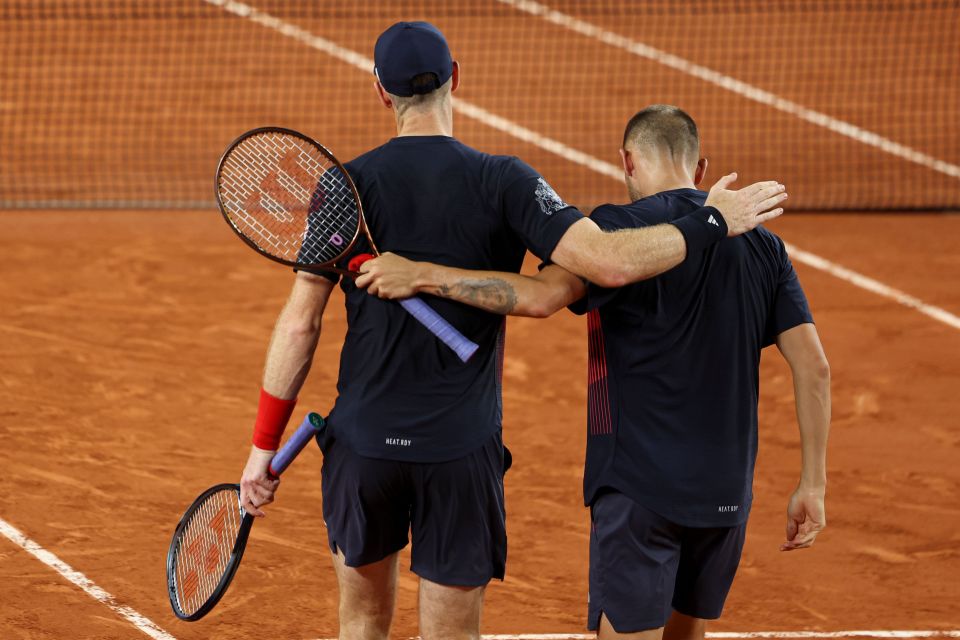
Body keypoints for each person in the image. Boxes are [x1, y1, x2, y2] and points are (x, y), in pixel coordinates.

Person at [237, 18, 787, 640]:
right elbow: (607, 261)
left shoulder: (343, 186)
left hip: (364, 445)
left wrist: (263, 450)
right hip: (460, 449)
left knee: (361, 622)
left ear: (381, 93)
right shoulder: (506, 180)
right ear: (456, 80)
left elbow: (300, 324)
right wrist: (710, 220)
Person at [357, 105, 830, 640]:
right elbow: (813, 366)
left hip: (637, 488)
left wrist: (420, 274)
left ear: (627, 161)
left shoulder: (612, 230)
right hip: (725, 493)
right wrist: (812, 483)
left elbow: (538, 298)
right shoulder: (763, 245)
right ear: (700, 169)